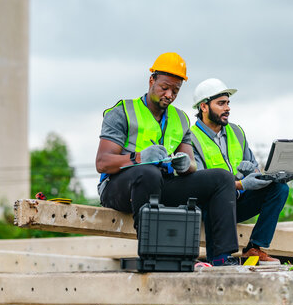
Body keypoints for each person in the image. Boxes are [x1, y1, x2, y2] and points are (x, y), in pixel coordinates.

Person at [95, 54, 240, 266]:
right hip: (120, 188)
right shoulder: (123, 112)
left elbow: (191, 164)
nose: (169, 94)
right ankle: (151, 253)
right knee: (148, 173)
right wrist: (139, 158)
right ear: (151, 81)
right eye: (164, 87)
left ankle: (221, 257)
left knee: (222, 178)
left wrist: (185, 165)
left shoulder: (180, 119)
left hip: (160, 186)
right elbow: (103, 162)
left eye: (176, 90)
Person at [190, 78, 289, 265]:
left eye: (228, 103)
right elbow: (200, 185)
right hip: (210, 208)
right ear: (204, 107)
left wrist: (257, 175)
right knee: (218, 199)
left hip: (237, 202)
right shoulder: (191, 138)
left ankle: (254, 247)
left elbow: (253, 165)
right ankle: (220, 258)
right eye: (221, 103)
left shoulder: (236, 132)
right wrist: (240, 183)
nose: (227, 108)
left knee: (279, 188)